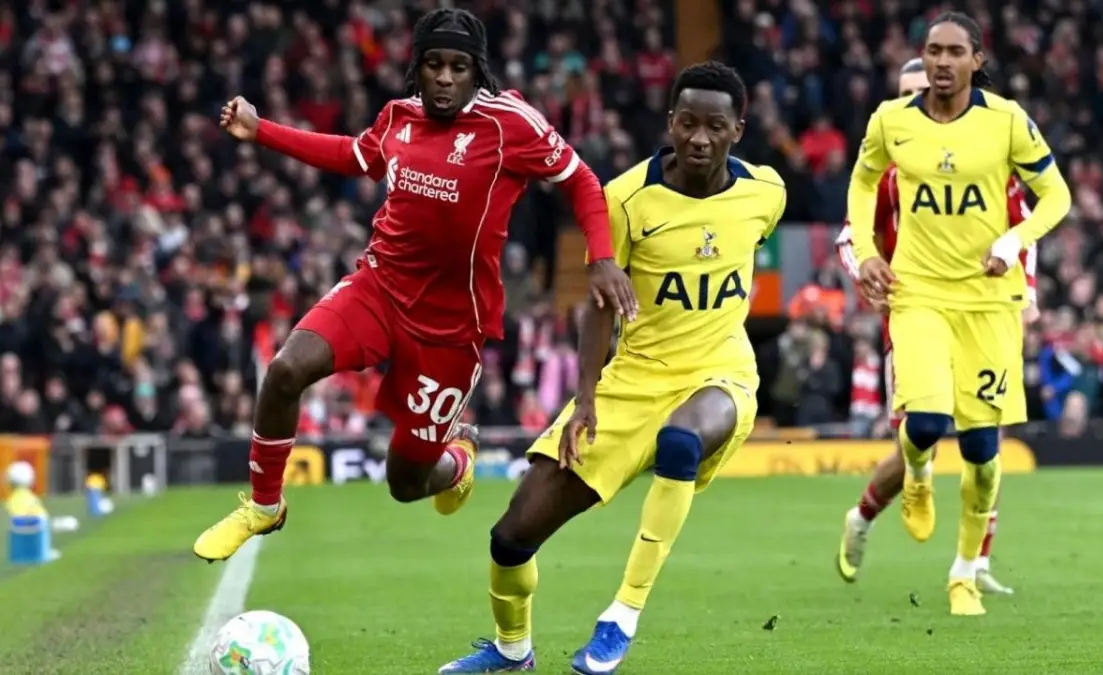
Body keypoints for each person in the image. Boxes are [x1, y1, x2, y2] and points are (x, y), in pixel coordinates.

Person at [192, 8, 636, 563]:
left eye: (457, 66)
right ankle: (264, 506)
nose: (444, 78)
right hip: (378, 289)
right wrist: (261, 132)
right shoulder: (397, 118)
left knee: (405, 481)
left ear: (477, 71)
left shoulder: (510, 124)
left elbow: (581, 180)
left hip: (450, 329)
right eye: (433, 65)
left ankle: (458, 462)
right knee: (285, 370)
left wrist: (600, 257)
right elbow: (352, 155)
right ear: (417, 70)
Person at [439, 62, 785, 674]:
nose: (699, 138)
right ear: (670, 122)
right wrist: (586, 401)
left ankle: (621, 616)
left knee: (681, 442)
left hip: (720, 372)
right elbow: (598, 304)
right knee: (511, 536)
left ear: (738, 129)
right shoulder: (623, 199)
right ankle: (512, 649)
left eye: (715, 126)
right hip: (632, 381)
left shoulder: (766, 194)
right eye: (687, 123)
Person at [848, 12, 1071, 616]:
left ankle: (965, 573)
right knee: (923, 423)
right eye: (932, 50)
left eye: (954, 52)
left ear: (976, 59)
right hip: (917, 292)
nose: (942, 62)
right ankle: (916, 480)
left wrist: (1013, 241)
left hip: (988, 302)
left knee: (980, 450)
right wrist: (866, 254)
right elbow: (861, 185)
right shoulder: (891, 122)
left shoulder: (1006, 122)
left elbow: (1058, 196)